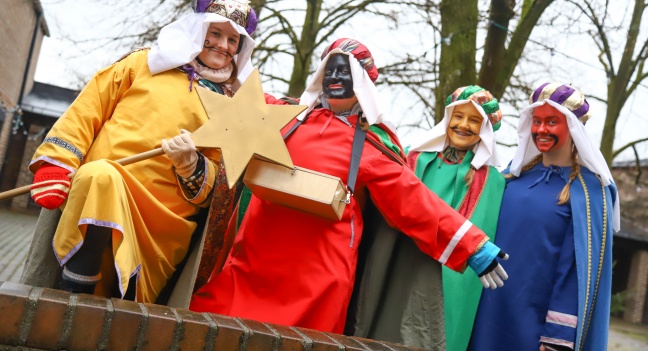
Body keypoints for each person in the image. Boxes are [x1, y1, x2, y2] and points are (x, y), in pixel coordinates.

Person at [189, 38, 508, 336]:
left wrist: (472, 245)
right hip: (251, 265)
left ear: (364, 85)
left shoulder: (372, 144)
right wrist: (204, 54)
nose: (336, 77)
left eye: (346, 71)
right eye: (331, 68)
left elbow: (413, 201)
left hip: (317, 283)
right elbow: (222, 93)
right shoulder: (281, 114)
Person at [26, 0, 258, 303]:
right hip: (97, 183)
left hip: (162, 219)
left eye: (233, 40)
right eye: (215, 33)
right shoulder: (144, 62)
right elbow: (88, 109)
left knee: (128, 310)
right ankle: (72, 305)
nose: (223, 45)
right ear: (196, 29)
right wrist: (56, 161)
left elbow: (219, 186)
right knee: (100, 177)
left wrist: (192, 165)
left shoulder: (234, 107)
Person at [469, 82, 619, 351]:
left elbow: (576, 273)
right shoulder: (511, 179)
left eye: (552, 122)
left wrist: (556, 338)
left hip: (536, 328)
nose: (541, 130)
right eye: (536, 121)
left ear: (573, 127)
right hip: (486, 315)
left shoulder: (590, 192)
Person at [407, 85, 505, 351]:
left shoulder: (492, 181)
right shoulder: (412, 159)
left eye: (474, 120)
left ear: (485, 129)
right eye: (458, 116)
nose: (464, 125)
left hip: (450, 280)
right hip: (403, 265)